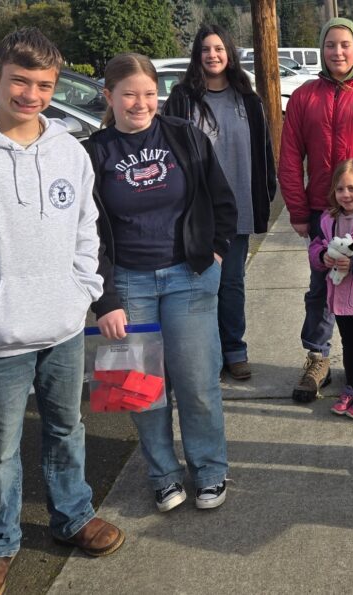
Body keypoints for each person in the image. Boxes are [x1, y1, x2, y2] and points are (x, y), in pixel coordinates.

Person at [0, 28, 124, 594]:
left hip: (65, 326)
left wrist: (82, 293)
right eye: (20, 80)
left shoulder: (70, 150)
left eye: (44, 85)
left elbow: (85, 230)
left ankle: (72, 516)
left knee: (67, 427)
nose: (31, 94)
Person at [86, 53, 237, 514]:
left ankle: (209, 471)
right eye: (129, 94)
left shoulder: (184, 137)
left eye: (149, 93)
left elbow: (222, 200)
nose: (141, 103)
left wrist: (214, 252)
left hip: (188, 277)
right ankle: (163, 475)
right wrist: (105, 297)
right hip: (129, 286)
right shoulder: (93, 153)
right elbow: (85, 232)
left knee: (196, 383)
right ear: (109, 96)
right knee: (141, 389)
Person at [279, 17, 353, 402]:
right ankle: (319, 357)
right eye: (330, 45)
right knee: (320, 286)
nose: (338, 52)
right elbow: (291, 156)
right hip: (320, 211)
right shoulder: (305, 96)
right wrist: (296, 208)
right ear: (322, 51)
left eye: (345, 44)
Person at [163, 24, 277, 381]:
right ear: (197, 56)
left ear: (229, 53)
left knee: (231, 282)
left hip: (238, 205)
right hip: (195, 211)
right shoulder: (182, 98)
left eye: (218, 49)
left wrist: (266, 191)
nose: (212, 55)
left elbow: (263, 151)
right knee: (198, 285)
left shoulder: (249, 99)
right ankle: (205, 355)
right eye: (205, 50)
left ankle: (234, 350)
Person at [308, 159, 353, 418]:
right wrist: (322, 257)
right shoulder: (329, 218)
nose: (346, 194)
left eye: (352, 188)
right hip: (338, 294)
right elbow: (317, 244)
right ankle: (351, 388)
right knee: (347, 343)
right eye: (340, 189)